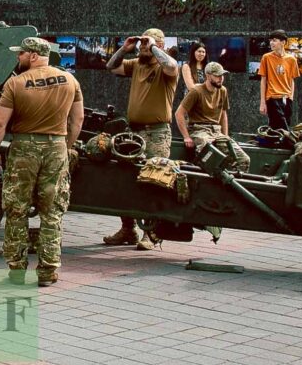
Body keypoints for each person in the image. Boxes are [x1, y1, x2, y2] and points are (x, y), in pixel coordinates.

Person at [0, 36, 83, 288]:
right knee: (52, 211)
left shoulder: (15, 84)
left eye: (21, 54)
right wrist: (67, 146)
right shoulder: (70, 81)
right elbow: (78, 120)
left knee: (17, 209)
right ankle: (48, 271)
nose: (17, 57)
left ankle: (17, 271)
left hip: (24, 149)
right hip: (57, 147)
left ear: (32, 55)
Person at [104, 27, 178, 249]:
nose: (143, 46)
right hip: (133, 132)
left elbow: (172, 66)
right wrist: (124, 49)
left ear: (160, 46)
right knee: (125, 179)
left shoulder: (166, 67)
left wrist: (154, 46)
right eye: (142, 43)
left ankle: (151, 233)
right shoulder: (136, 64)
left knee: (154, 181)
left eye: (148, 43)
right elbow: (111, 67)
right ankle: (128, 229)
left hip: (157, 132)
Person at [175, 61, 249, 171]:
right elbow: (179, 113)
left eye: (222, 75)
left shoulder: (222, 91)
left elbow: (223, 115)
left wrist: (226, 135)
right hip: (199, 130)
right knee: (210, 157)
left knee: (243, 160)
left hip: (216, 132)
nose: (221, 78)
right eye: (217, 76)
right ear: (208, 76)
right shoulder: (196, 91)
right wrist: (186, 137)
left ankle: (231, 186)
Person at [257, 30, 299, 130]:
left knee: (278, 127)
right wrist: (263, 102)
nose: (271, 43)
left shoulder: (291, 59)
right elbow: (263, 80)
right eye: (270, 40)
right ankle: (290, 143)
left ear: (283, 42)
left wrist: (291, 97)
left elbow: (292, 80)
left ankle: (272, 143)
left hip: (287, 98)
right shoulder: (266, 58)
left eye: (274, 40)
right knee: (282, 128)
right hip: (272, 97)